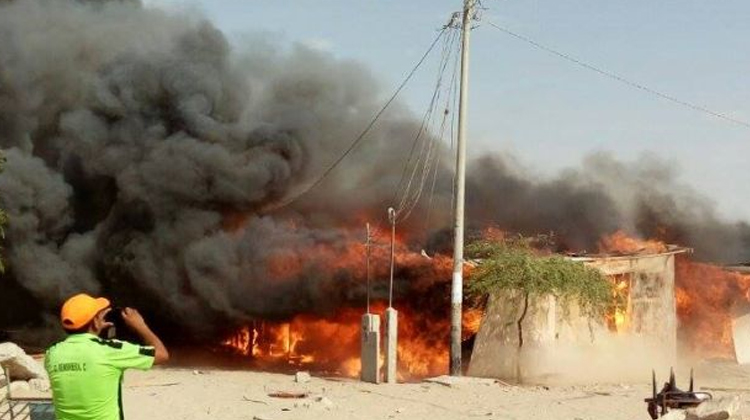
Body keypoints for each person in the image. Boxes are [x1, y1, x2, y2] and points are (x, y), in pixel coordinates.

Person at [45, 293, 169, 420]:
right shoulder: (110, 350)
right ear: (94, 322)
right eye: (100, 315)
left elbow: (84, 357)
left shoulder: (52, 353)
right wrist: (140, 325)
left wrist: (95, 330)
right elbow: (162, 354)